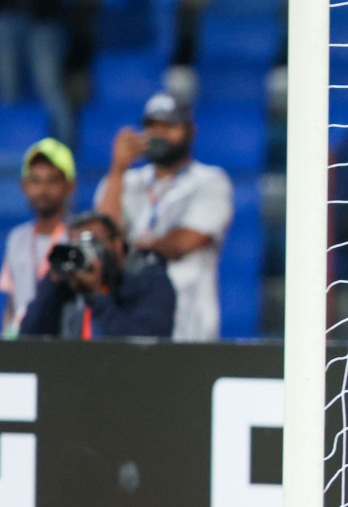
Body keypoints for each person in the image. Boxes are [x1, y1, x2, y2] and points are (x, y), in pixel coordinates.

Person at [95, 92, 233, 342]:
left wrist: (124, 246)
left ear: (190, 130)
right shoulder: (124, 181)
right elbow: (102, 236)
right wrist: (117, 169)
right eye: (152, 126)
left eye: (169, 126)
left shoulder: (210, 181)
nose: (159, 134)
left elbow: (180, 244)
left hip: (189, 325)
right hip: (127, 319)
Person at [18, 210, 175, 339]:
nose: (85, 253)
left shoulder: (148, 279)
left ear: (117, 244)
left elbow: (144, 345)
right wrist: (52, 283)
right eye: (77, 245)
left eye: (92, 244)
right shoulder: (69, 282)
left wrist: (97, 294)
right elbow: (28, 338)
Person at [0, 0, 73, 146]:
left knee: (49, 85)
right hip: (7, 17)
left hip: (44, 20)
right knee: (7, 88)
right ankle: (12, 150)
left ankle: (65, 148)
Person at [1, 137, 72, 336]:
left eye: (52, 180)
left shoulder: (75, 238)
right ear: (24, 185)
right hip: (23, 343)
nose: (43, 190)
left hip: (64, 345)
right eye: (35, 180)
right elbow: (13, 303)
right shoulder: (17, 238)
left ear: (69, 185)